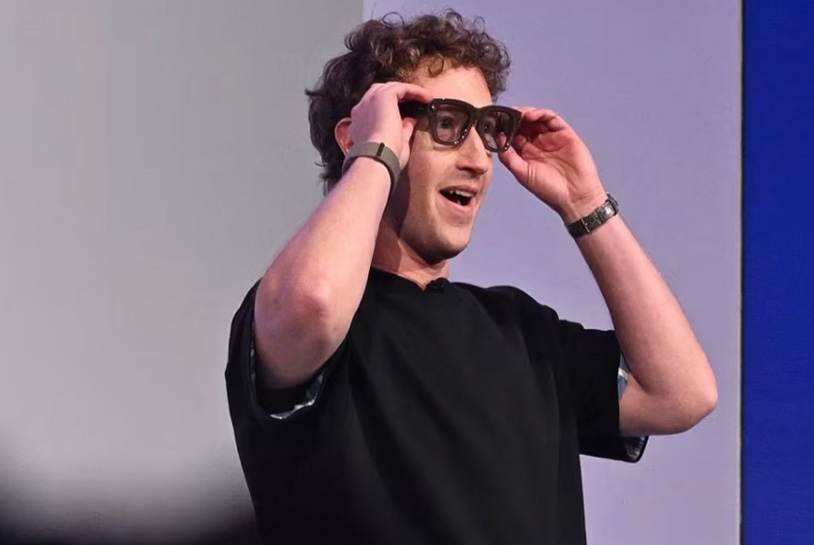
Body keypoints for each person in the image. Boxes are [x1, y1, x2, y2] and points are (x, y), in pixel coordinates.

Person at [225, 10, 717, 545]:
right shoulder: (303, 319)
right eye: (446, 125)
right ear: (362, 135)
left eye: (486, 131)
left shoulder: (519, 328)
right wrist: (371, 155)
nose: (479, 160)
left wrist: (585, 202)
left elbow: (681, 392)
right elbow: (314, 302)